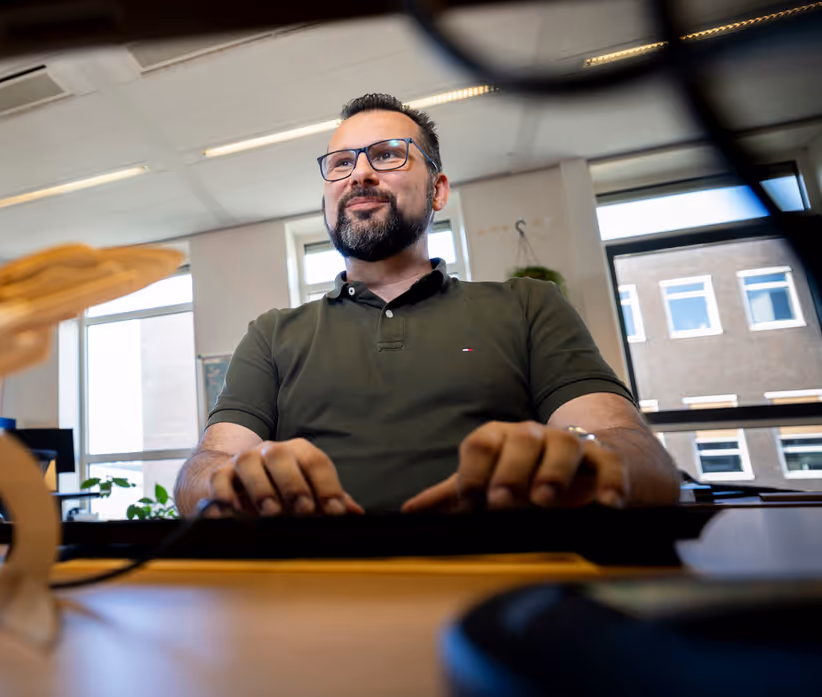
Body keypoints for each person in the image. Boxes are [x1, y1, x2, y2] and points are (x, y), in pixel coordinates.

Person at [174, 93, 680, 518]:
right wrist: (234, 477)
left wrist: (579, 455)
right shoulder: (271, 334)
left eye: (388, 155)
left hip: (506, 581)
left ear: (438, 191)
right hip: (315, 585)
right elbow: (201, 474)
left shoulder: (529, 305)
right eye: (342, 163)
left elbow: (646, 462)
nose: (359, 174)